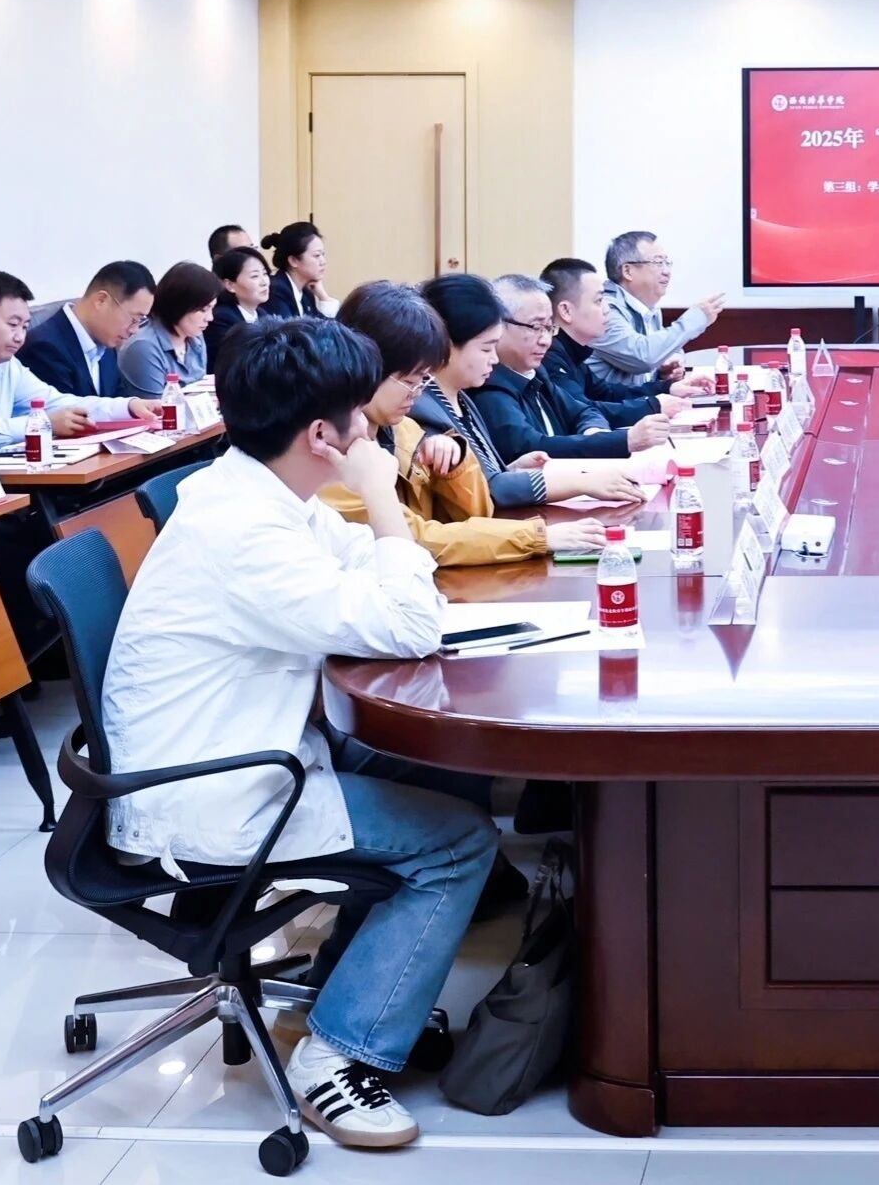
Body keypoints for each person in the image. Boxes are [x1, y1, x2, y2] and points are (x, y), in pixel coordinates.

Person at [99, 315, 500, 1151]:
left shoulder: (255, 488)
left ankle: (353, 985)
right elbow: (408, 620)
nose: (372, 431)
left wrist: (385, 542)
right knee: (459, 842)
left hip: (239, 745)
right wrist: (383, 493)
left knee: (438, 770)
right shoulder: (247, 532)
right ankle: (337, 1056)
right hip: (214, 790)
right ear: (323, 434)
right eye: (361, 416)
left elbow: (378, 573)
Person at [324, 282, 607, 565]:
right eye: (410, 381)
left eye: (424, 379)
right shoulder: (331, 453)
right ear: (365, 369)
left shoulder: (404, 430)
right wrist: (537, 536)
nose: (418, 393)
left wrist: (456, 467)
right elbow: (413, 539)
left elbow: (478, 511)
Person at [409, 274, 642, 509]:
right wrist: (581, 481)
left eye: (548, 327)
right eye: (486, 348)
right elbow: (489, 491)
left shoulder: (460, 398)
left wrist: (511, 470)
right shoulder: (425, 409)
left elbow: (480, 479)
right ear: (446, 345)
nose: (494, 359)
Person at [0, 271, 148, 450]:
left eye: (25, 326)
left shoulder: (8, 365)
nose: (20, 337)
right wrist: (41, 424)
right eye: (13, 324)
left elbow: (57, 402)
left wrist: (129, 406)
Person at [475, 274, 671, 462]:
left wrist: (595, 433)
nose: (545, 340)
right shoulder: (489, 388)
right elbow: (532, 447)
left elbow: (584, 411)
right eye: (536, 327)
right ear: (497, 325)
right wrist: (622, 441)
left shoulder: (535, 373)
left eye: (548, 328)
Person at [541, 258, 686, 425]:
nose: (607, 309)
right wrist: (653, 406)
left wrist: (667, 388)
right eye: (598, 301)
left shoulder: (574, 353)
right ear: (566, 311)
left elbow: (608, 393)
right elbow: (582, 411)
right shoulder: (549, 356)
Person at [594, 230, 724, 387]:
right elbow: (643, 357)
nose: (666, 271)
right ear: (628, 271)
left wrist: (664, 369)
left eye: (667, 263)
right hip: (605, 403)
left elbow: (662, 349)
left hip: (638, 400)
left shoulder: (648, 308)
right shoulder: (603, 309)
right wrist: (694, 320)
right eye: (658, 263)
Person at [20, 260, 154, 401]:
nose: (134, 330)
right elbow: (66, 410)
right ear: (101, 300)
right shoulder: (44, 348)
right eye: (134, 319)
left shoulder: (106, 343)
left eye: (141, 321)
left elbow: (120, 401)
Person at [120, 260, 220, 396]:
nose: (210, 318)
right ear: (179, 305)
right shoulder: (144, 346)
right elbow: (154, 406)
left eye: (212, 308)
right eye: (203, 310)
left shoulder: (195, 337)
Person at [207, 246, 273, 373]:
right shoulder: (221, 319)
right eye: (255, 276)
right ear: (230, 285)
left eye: (265, 274)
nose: (264, 282)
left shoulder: (262, 314)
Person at [259, 223, 338, 321]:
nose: (323, 261)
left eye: (323, 255)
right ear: (293, 261)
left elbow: (327, 327)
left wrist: (323, 296)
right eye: (317, 255)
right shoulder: (276, 291)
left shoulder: (306, 293)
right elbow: (288, 329)